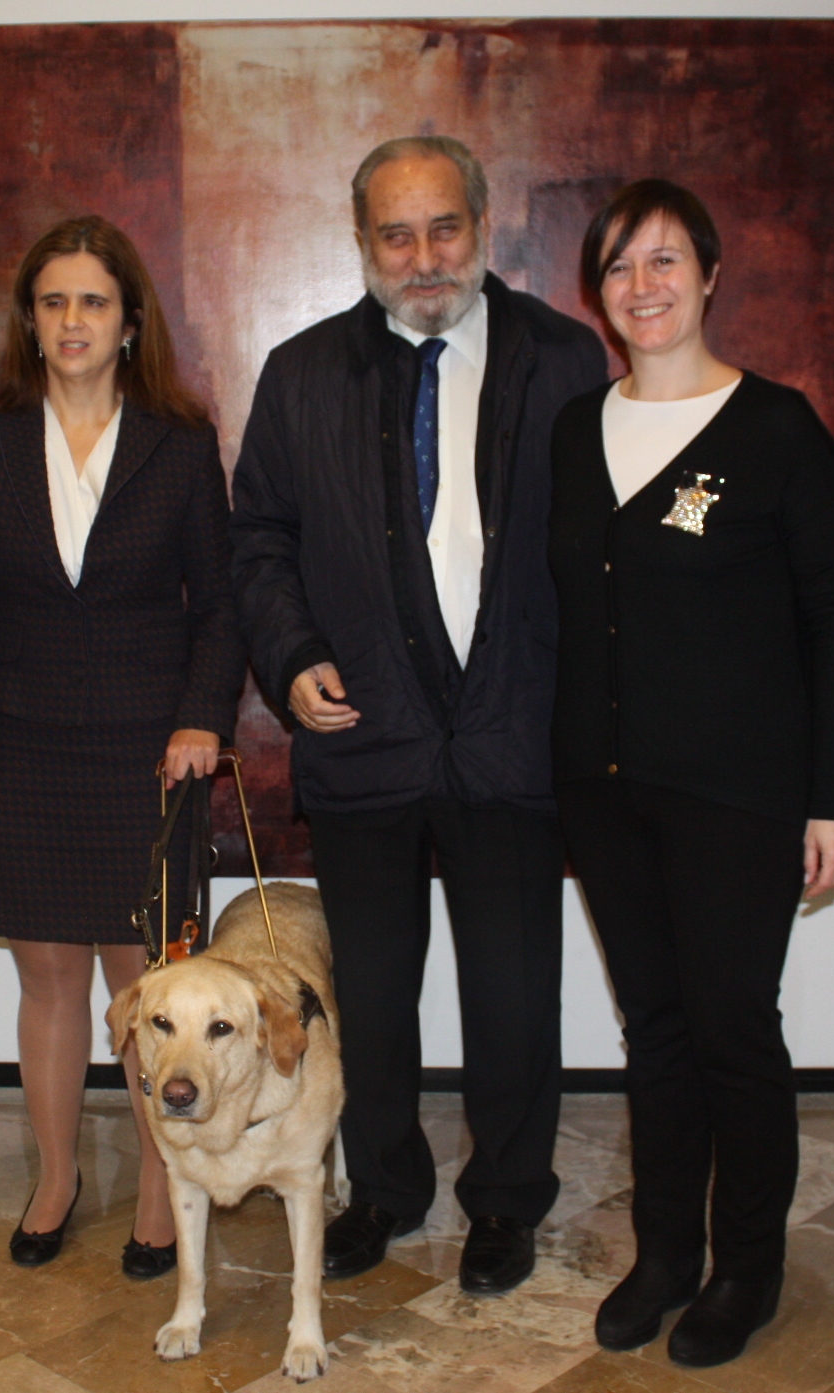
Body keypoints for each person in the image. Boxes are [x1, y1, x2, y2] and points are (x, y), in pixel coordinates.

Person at [229, 136, 607, 1293]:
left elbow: (605, 551)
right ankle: (383, 1191)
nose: (423, 255)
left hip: (512, 732)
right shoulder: (301, 375)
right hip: (365, 736)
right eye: (397, 233)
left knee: (511, 994)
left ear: (483, 226)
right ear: (363, 242)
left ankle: (505, 1202)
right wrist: (290, 657)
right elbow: (259, 541)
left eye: (444, 227)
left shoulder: (565, 359)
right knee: (374, 998)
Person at [549, 179, 834, 1367]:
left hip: (739, 790)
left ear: (712, 276)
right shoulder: (576, 432)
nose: (645, 285)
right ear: (600, 291)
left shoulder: (778, 430)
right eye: (623, 265)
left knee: (735, 1029)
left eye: (668, 260)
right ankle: (665, 1255)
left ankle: (747, 1269)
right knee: (658, 1032)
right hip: (604, 786)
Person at [0, 215, 245, 1279]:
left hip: (153, 756)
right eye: (54, 301)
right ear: (30, 318)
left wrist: (203, 714)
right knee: (49, 980)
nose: (72, 320)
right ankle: (56, 1175)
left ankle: (161, 1189)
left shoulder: (180, 439)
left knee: (150, 985)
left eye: (93, 302)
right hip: (19, 752)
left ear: (127, 320)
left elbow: (223, 605)